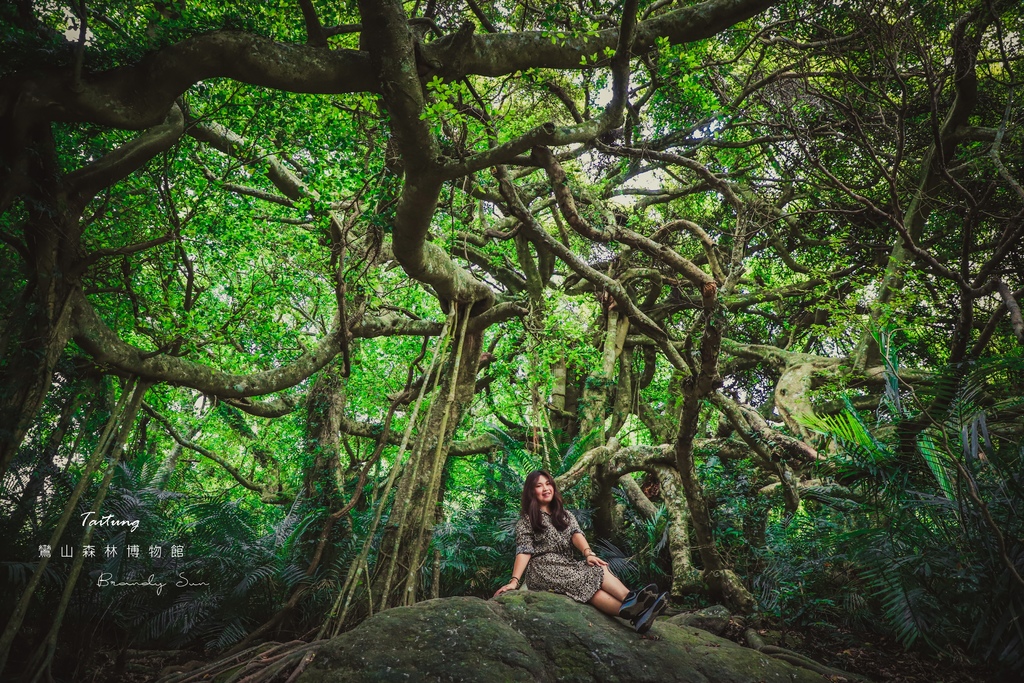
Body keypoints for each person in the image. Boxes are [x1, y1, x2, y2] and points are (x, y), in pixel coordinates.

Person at [493, 469, 668, 634]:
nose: (546, 488)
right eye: (539, 486)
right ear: (531, 492)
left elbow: (576, 534)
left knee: (598, 568)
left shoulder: (565, 515)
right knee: (585, 582)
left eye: (548, 483)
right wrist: (514, 581)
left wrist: (588, 553)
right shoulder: (527, 521)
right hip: (543, 569)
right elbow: (524, 551)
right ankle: (635, 605)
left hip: (566, 565)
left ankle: (635, 610)